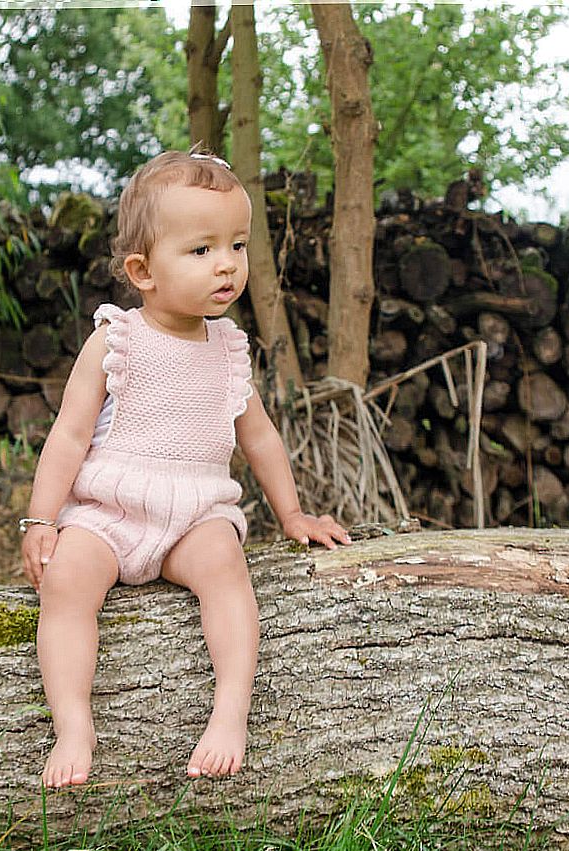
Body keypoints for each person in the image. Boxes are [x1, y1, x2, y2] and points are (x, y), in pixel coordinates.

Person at [19, 150, 351, 789]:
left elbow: (259, 439)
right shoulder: (118, 339)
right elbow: (69, 436)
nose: (226, 264)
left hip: (194, 514)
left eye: (235, 245)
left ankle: (230, 713)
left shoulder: (228, 348)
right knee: (65, 585)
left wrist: (292, 513)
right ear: (142, 270)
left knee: (227, 572)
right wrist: (41, 518)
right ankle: (73, 724)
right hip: (108, 513)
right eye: (201, 250)